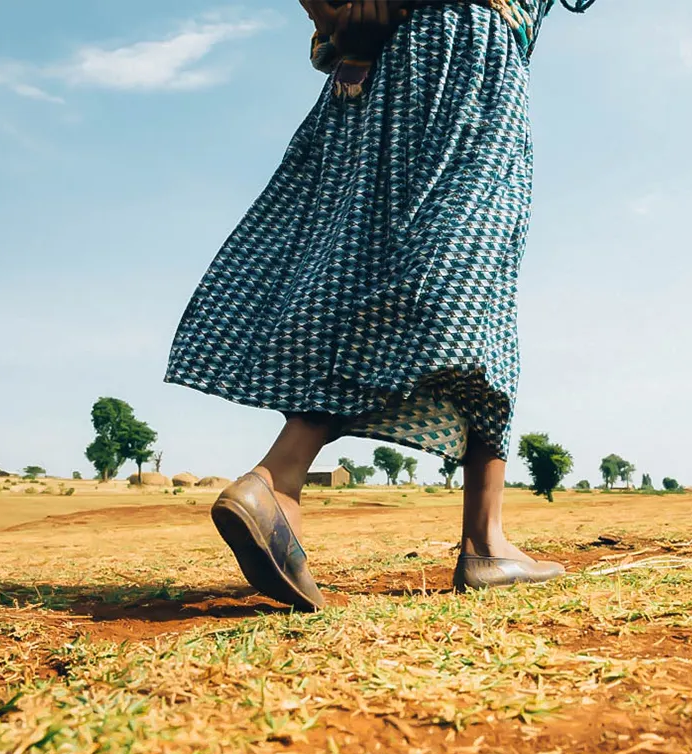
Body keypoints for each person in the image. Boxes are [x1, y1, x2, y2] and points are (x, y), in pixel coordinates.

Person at [165, 0, 594, 611]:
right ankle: (285, 483)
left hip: (377, 71)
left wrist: (342, 15)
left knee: (384, 269)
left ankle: (478, 534)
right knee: (463, 285)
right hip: (462, 53)